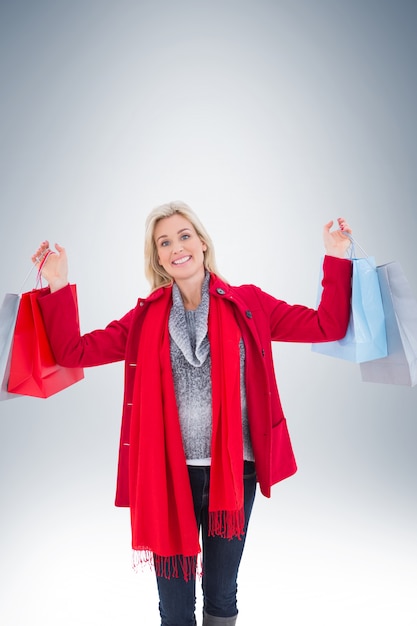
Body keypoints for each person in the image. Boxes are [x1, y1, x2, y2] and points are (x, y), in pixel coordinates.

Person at [32, 201, 353, 626]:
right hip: (168, 477)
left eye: (184, 236)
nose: (176, 247)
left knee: (222, 594)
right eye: (164, 242)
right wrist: (58, 283)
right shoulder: (146, 318)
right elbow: (75, 351)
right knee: (176, 608)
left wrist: (337, 256)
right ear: (158, 257)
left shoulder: (248, 303)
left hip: (236, 474)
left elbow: (326, 326)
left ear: (202, 243)